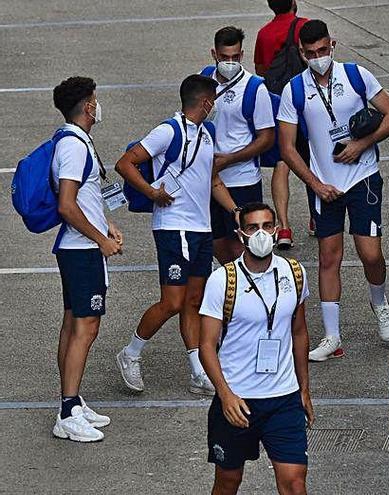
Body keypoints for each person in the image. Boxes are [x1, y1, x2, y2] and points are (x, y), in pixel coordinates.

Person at [277, 19, 389, 361]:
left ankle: (380, 304)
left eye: (323, 50)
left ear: (332, 45)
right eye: (310, 53)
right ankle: (332, 335)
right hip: (325, 185)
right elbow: (287, 148)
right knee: (328, 258)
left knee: (370, 253)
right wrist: (315, 184)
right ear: (301, 53)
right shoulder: (295, 90)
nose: (318, 57)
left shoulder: (356, 75)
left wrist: (362, 144)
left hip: (363, 178)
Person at [114, 74, 239, 395]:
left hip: (201, 229)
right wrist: (151, 192)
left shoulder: (207, 134)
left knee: (194, 301)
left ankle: (198, 371)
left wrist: (235, 212)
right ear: (206, 102)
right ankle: (130, 353)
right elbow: (125, 163)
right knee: (172, 301)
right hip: (173, 227)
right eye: (213, 102)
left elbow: (212, 181)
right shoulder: (168, 131)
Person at [199, 203, 314, 495]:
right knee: (228, 481)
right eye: (252, 228)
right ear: (241, 234)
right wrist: (225, 395)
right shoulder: (222, 281)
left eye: (266, 226)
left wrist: (303, 389)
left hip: (283, 398)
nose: (261, 234)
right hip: (239, 399)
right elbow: (206, 346)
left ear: (276, 230)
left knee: (295, 482)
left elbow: (299, 332)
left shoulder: (295, 273)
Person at [50, 76, 122, 442]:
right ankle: (66, 411)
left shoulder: (75, 141)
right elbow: (67, 203)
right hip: (81, 250)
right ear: (88, 106)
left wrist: (106, 224)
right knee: (86, 327)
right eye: (96, 99)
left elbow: (85, 197)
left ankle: (73, 401)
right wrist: (100, 240)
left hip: (80, 246)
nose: (98, 104)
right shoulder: (74, 147)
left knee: (72, 323)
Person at [205, 26, 275, 264]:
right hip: (209, 178)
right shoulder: (204, 78)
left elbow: (267, 138)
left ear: (242, 55)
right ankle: (232, 279)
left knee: (241, 244)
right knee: (216, 242)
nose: (230, 62)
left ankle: (246, 288)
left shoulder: (256, 88)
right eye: (225, 58)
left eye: (235, 57)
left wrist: (229, 159)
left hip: (242, 179)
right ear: (214, 54)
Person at [254, 0, 313, 246]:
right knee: (314, 160)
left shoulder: (264, 34)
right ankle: (316, 218)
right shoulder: (305, 26)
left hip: (278, 104)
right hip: (306, 101)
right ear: (293, 3)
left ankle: (285, 228)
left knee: (282, 162)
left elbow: (260, 70)